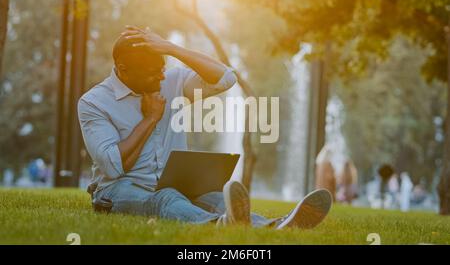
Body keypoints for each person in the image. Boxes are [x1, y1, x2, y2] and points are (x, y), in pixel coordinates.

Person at [78, 26, 332, 228]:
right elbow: (112, 165)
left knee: (217, 199)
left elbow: (225, 79)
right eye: (152, 73)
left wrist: (171, 48)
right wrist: (150, 119)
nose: (161, 77)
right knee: (167, 199)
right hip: (117, 192)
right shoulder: (94, 102)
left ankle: (275, 226)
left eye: (163, 69)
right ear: (123, 69)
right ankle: (219, 226)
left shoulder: (172, 82)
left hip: (172, 184)